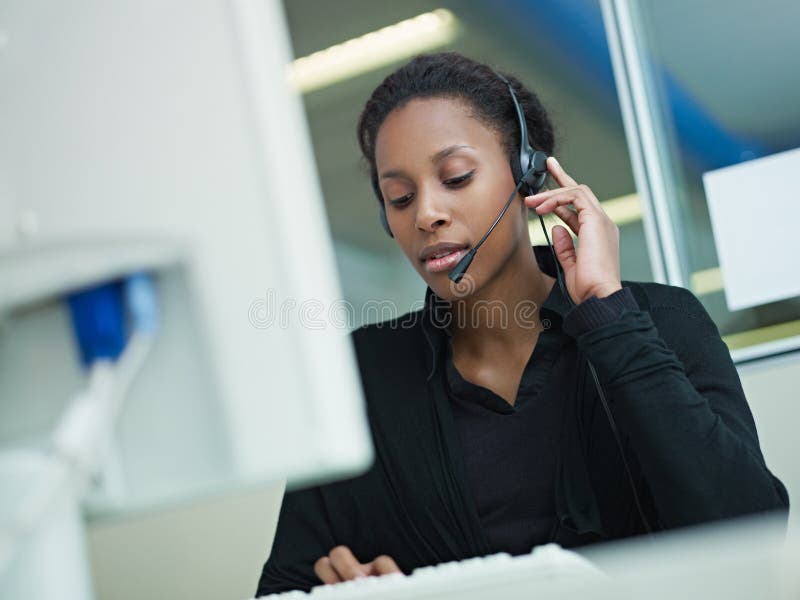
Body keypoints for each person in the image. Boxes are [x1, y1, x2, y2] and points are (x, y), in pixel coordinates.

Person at [255, 52, 789, 596]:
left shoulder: (663, 321)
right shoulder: (362, 376)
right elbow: (282, 588)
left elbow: (750, 531)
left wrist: (609, 315)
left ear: (527, 174)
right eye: (400, 197)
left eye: (456, 177)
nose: (426, 214)